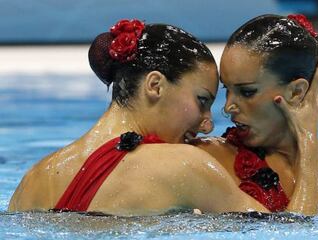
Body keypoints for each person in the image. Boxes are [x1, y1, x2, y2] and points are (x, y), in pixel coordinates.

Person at [8, 19, 268, 216]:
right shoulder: (185, 166)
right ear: (155, 85)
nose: (207, 123)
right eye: (202, 101)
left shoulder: (33, 180)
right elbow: (281, 230)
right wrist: (306, 138)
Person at [196, 14, 318, 215]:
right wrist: (309, 147)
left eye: (247, 92)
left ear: (296, 92)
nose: (229, 106)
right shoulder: (208, 161)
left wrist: (307, 145)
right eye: (227, 89)